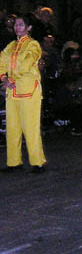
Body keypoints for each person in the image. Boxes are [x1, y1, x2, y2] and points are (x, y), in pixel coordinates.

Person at [0, 14, 47, 173]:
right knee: (12, 127)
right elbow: (1, 62)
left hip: (28, 90)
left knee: (31, 127)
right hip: (12, 91)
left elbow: (27, 63)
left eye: (21, 25)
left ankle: (37, 162)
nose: (17, 27)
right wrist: (4, 78)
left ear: (29, 28)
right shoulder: (11, 46)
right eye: (16, 25)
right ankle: (14, 162)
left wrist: (12, 78)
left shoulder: (33, 45)